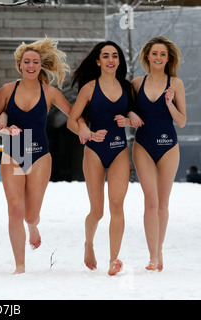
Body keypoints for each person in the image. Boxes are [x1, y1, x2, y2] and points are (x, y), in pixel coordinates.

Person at [0, 38, 74, 274]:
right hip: (13, 155)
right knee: (15, 209)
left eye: (35, 61)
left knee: (31, 214)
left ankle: (33, 225)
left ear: (41, 65)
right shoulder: (7, 90)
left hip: (39, 156)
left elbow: (73, 114)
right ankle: (20, 265)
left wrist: (89, 129)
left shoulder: (50, 92)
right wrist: (4, 118)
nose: (31, 65)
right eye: (26, 61)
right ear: (20, 64)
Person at [67, 41, 138, 276]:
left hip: (119, 150)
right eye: (105, 56)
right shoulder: (89, 88)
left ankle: (114, 259)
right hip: (94, 152)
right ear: (97, 61)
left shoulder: (127, 88)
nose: (110, 60)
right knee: (97, 211)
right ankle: (88, 244)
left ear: (119, 60)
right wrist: (85, 131)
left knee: (117, 206)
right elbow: (73, 120)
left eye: (114, 56)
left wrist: (128, 121)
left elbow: (134, 115)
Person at [130, 37, 186, 271]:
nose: (158, 58)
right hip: (142, 146)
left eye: (163, 54)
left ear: (168, 58)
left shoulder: (176, 83)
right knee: (150, 201)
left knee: (163, 203)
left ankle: (158, 250)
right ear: (147, 56)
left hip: (168, 147)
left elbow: (182, 122)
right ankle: (153, 257)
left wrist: (170, 103)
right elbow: (129, 111)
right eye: (155, 53)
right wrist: (131, 114)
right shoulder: (136, 83)